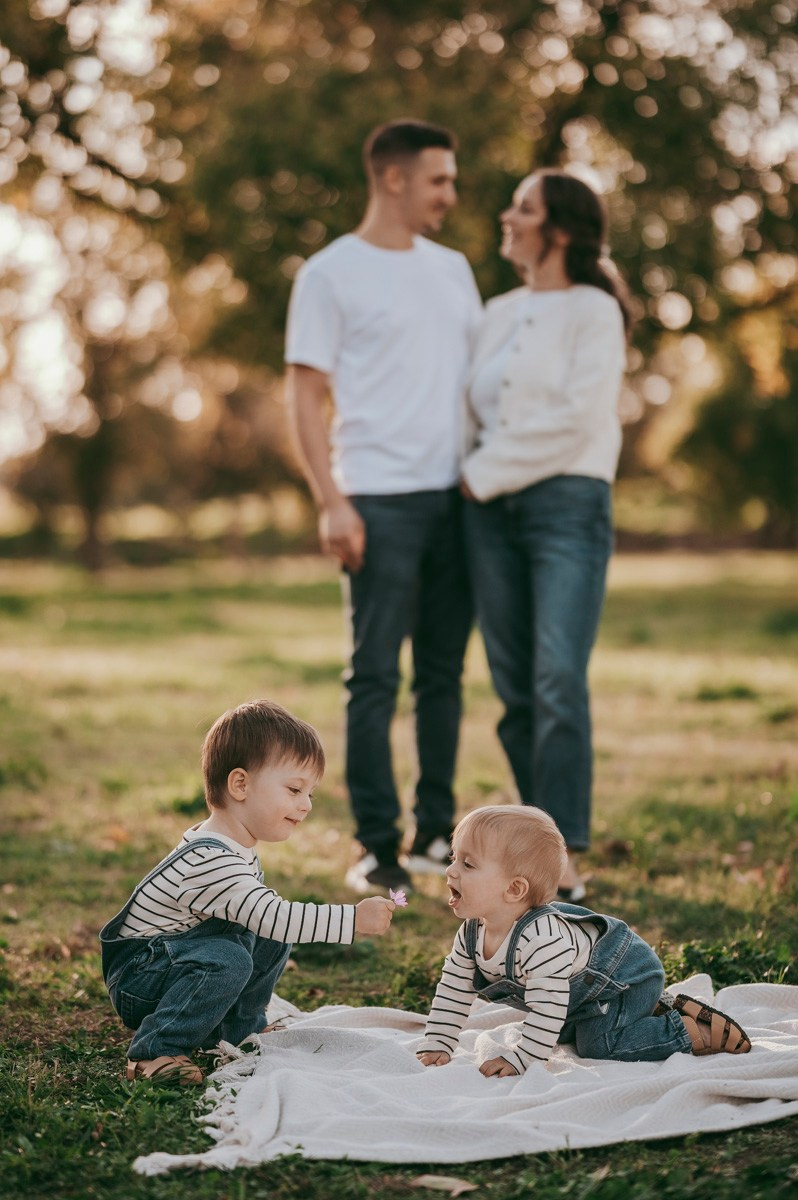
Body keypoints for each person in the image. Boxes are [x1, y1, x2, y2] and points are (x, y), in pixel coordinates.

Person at [285, 119, 483, 895]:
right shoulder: (330, 274)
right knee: (373, 677)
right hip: (375, 496)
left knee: (443, 674)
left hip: (456, 500)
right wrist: (331, 499)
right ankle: (378, 848)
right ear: (394, 179)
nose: (451, 195)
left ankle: (437, 834)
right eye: (440, 180)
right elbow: (303, 394)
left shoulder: (455, 270)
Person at [459, 169, 633, 902]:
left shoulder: (596, 310)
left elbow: (577, 416)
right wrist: (471, 478)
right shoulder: (496, 311)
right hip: (488, 515)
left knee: (558, 678)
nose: (508, 216)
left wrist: (482, 471)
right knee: (516, 688)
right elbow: (471, 407)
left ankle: (561, 864)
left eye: (522, 208)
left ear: (557, 230)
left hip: (565, 502)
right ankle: (543, 849)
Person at [99, 699, 396, 1085]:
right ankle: (154, 1051)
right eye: (294, 789)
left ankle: (235, 1031)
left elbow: (265, 922)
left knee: (265, 937)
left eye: (310, 794)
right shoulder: (210, 858)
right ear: (240, 784)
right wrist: (352, 919)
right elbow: (278, 916)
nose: (305, 805)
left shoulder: (236, 844)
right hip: (141, 977)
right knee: (231, 956)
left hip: (173, 960)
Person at [417, 806, 752, 1076]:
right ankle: (647, 1012)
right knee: (562, 1035)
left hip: (626, 978)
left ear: (514, 889)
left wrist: (521, 1061)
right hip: (580, 995)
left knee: (599, 1045)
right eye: (453, 858)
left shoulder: (541, 939)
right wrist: (438, 1042)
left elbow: (547, 1008)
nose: (450, 871)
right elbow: (453, 988)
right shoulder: (472, 933)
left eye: (468, 863)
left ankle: (690, 1029)